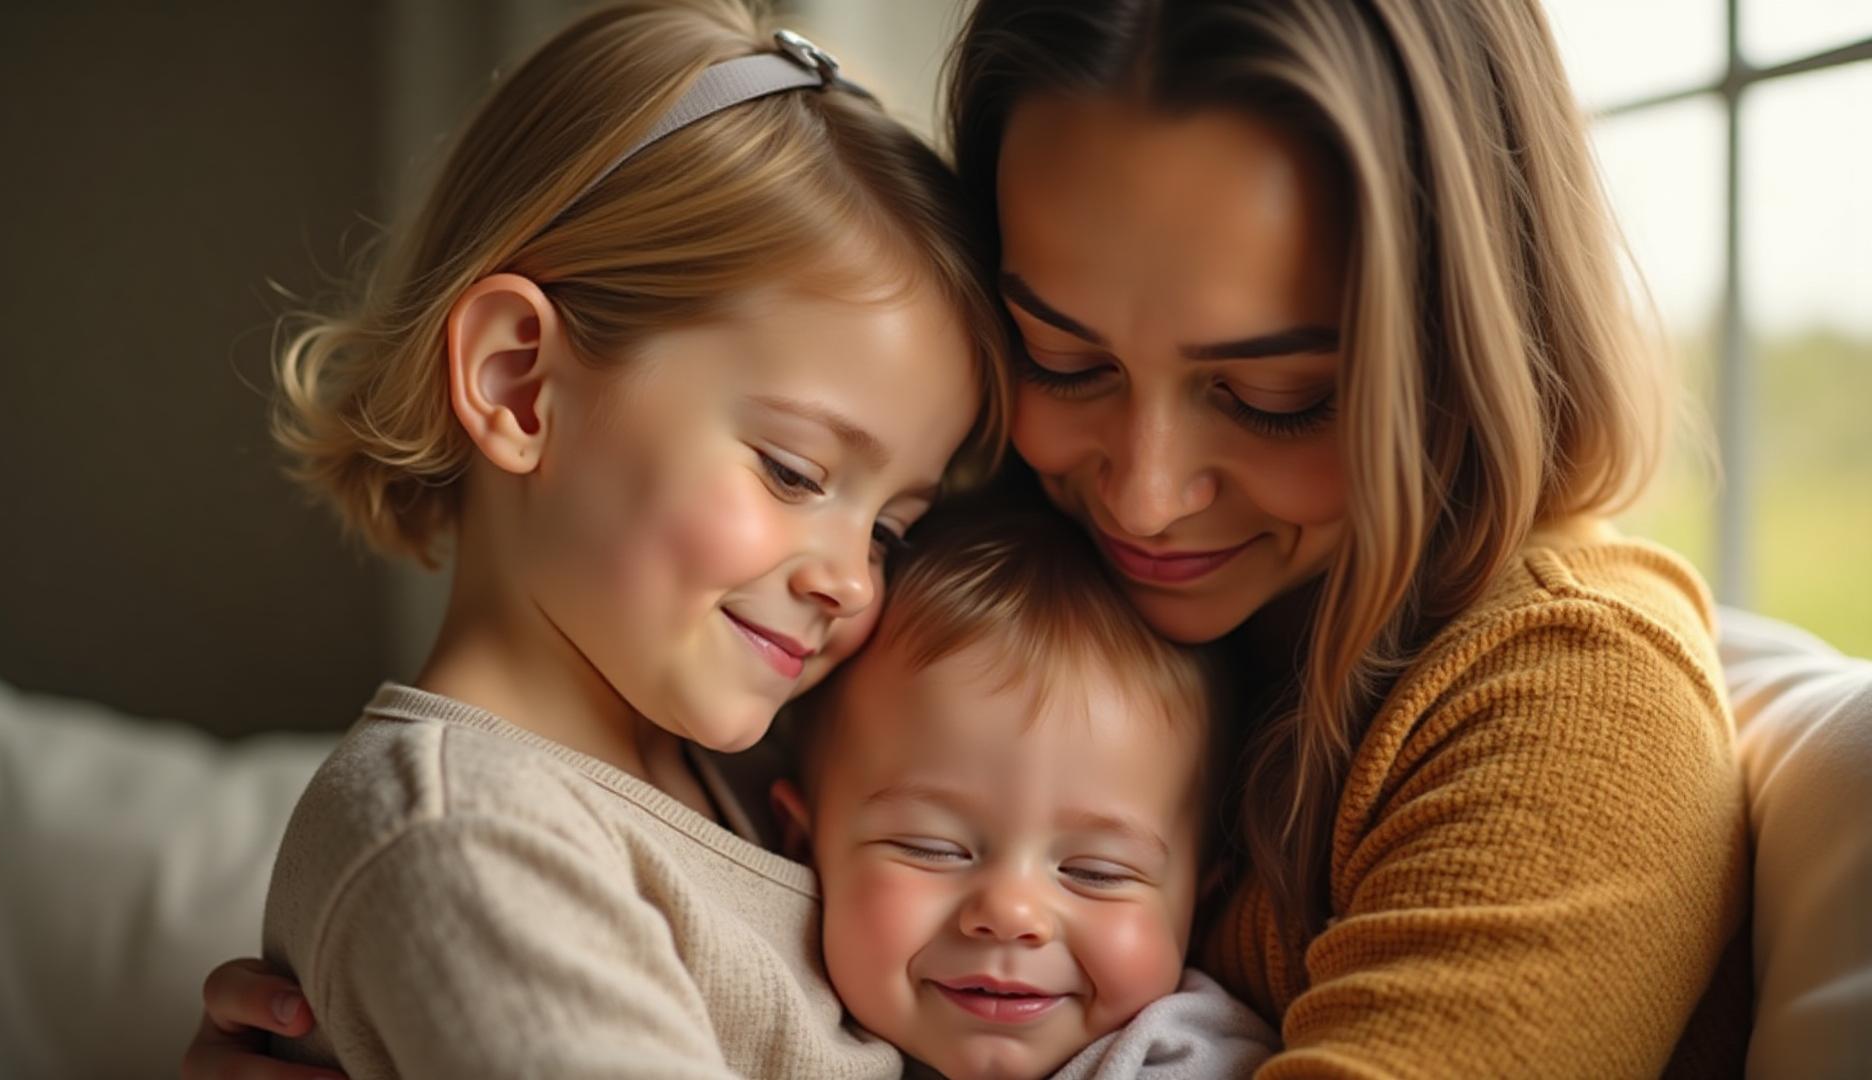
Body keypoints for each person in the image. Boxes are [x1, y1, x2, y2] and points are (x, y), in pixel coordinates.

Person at [192, 0, 1751, 1075]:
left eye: (1274, 396)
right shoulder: (862, 640)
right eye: (1064, 364)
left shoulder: (1558, 705)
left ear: (1453, 352)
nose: (1142, 496)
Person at [219, 0, 1008, 1075]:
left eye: (891, 530)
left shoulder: (757, 778)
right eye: (793, 472)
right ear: (519, 382)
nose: (854, 585)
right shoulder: (471, 843)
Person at [769, 504, 1277, 1079]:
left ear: (1198, 910)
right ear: (803, 847)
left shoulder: (1186, 1060)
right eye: (932, 849)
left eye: (1096, 873)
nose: (1011, 913)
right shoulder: (762, 1013)